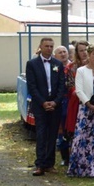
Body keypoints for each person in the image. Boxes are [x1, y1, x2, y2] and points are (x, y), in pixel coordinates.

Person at [66, 44, 94, 178]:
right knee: (82, 137)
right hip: (86, 109)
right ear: (89, 55)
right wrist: (88, 104)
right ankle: (80, 167)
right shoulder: (81, 71)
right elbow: (79, 90)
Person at [25, 37, 66, 176]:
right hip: (40, 104)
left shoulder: (58, 64)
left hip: (55, 104)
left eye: (51, 46)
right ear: (40, 47)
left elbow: (62, 85)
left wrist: (55, 102)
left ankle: (50, 163)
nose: (48, 48)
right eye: (46, 46)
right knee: (41, 134)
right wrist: (43, 102)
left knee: (53, 134)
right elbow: (31, 86)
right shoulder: (32, 64)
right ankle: (40, 164)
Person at [62, 40, 89, 165]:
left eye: (86, 50)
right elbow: (69, 85)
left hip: (93, 103)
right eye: (81, 50)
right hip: (76, 104)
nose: (84, 53)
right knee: (74, 132)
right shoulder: (71, 67)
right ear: (77, 52)